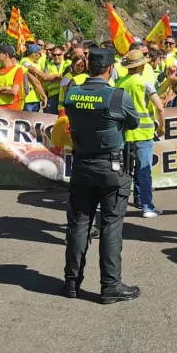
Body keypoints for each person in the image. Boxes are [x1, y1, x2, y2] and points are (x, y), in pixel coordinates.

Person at [61, 48, 141, 303]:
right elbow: (133, 122)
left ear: (87, 67)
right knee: (110, 226)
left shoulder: (72, 92)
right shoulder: (117, 95)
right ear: (110, 69)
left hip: (82, 165)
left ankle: (71, 283)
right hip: (111, 167)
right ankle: (110, 286)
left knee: (79, 224)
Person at [116, 48, 165, 217]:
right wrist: (162, 126)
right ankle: (146, 207)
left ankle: (117, 206)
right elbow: (159, 106)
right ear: (141, 67)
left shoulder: (119, 83)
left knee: (121, 172)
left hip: (124, 134)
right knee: (144, 171)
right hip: (144, 134)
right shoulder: (145, 83)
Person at [28, 47, 68, 114]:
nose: (56, 56)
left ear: (63, 54)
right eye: (54, 55)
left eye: (59, 54)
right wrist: (59, 75)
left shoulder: (67, 64)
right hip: (52, 96)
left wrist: (51, 76)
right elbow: (45, 78)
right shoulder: (49, 65)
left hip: (65, 95)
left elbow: (67, 76)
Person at [19, 44, 48, 112]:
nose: (41, 56)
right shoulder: (24, 61)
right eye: (40, 54)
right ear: (34, 53)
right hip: (27, 99)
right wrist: (44, 96)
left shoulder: (36, 63)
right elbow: (35, 82)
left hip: (36, 98)